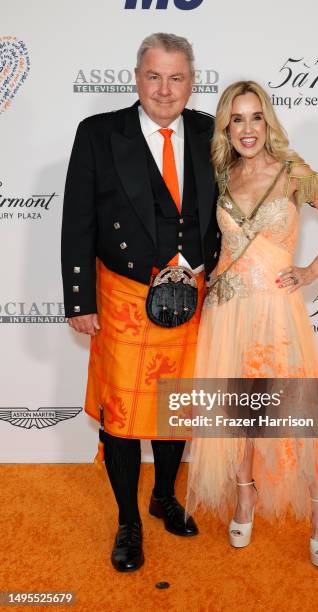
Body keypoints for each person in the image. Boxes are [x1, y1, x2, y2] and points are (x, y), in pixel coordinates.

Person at [61, 33, 220, 572]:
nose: (165, 89)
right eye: (154, 76)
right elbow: (77, 221)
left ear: (191, 82)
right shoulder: (100, 134)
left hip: (193, 293)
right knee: (124, 415)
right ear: (136, 77)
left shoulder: (209, 131)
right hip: (125, 294)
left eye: (177, 77)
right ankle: (128, 518)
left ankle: (164, 496)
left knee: (176, 407)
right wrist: (80, 298)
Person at [186, 81, 318, 568]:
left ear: (268, 122)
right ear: (226, 126)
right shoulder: (223, 174)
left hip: (277, 314)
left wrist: (311, 271)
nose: (246, 128)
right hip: (227, 312)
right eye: (236, 119)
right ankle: (245, 498)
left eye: (255, 117)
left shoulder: (292, 171)